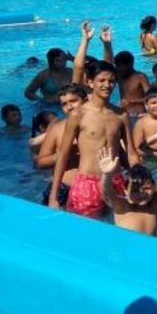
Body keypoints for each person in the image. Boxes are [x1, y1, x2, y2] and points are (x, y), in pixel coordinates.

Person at [48, 55, 138, 216]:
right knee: (85, 232)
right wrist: (53, 197)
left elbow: (131, 152)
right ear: (90, 82)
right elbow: (63, 155)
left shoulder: (121, 115)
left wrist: (139, 179)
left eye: (111, 81)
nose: (107, 85)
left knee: (120, 229)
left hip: (116, 181)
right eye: (101, 80)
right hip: (87, 182)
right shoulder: (78, 114)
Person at [98, 146, 157, 236]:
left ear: (154, 187)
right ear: (125, 191)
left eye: (146, 188)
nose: (141, 194)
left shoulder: (154, 205)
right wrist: (106, 174)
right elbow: (107, 192)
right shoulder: (121, 206)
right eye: (135, 190)